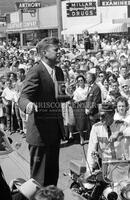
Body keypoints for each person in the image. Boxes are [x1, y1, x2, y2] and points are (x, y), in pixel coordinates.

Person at [18, 37, 65, 187]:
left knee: (52, 176)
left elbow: (61, 96)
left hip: (55, 133)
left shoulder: (58, 71)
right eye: (56, 50)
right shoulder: (35, 71)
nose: (60, 53)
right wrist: (29, 105)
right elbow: (23, 97)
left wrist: (71, 96)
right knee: (39, 180)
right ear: (44, 52)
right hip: (39, 135)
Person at [86, 102, 130, 183]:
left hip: (121, 165)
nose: (101, 119)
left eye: (103, 116)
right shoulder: (96, 127)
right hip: (105, 165)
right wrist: (89, 170)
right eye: (99, 116)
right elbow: (91, 149)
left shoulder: (122, 125)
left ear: (112, 113)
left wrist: (120, 133)